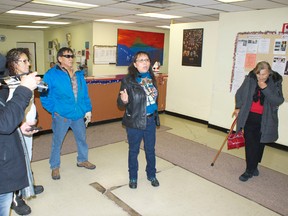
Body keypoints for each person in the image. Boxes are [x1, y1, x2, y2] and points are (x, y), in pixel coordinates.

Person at [40, 47, 95, 181]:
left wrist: (88, 109)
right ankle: (55, 166)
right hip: (62, 115)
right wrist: (55, 109)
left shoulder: (78, 74)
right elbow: (44, 95)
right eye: (67, 56)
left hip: (78, 114)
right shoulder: (50, 75)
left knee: (82, 139)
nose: (71, 58)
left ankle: (82, 160)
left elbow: (84, 94)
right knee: (57, 142)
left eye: (72, 56)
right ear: (60, 58)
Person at [0, 54, 41, 216]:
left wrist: (20, 125)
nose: (28, 64)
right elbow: (6, 120)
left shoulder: (7, 84)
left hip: (14, 135)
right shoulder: (10, 85)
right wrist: (24, 89)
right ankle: (18, 197)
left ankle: (24, 186)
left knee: (25, 159)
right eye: (24, 61)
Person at [232, 61, 284, 182]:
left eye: (264, 75)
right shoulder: (250, 78)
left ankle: (254, 166)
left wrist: (265, 88)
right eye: (258, 74)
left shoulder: (275, 80)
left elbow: (278, 100)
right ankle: (249, 170)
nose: (260, 77)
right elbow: (239, 93)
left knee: (260, 143)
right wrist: (238, 107)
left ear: (269, 73)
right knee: (250, 144)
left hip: (265, 118)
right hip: (249, 116)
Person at [117, 51, 160, 189]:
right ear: (135, 64)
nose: (145, 63)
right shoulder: (128, 80)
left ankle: (151, 174)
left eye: (147, 60)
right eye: (141, 60)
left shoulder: (152, 78)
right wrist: (123, 100)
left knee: (150, 150)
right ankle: (133, 177)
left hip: (150, 120)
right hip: (135, 121)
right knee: (134, 150)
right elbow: (119, 103)